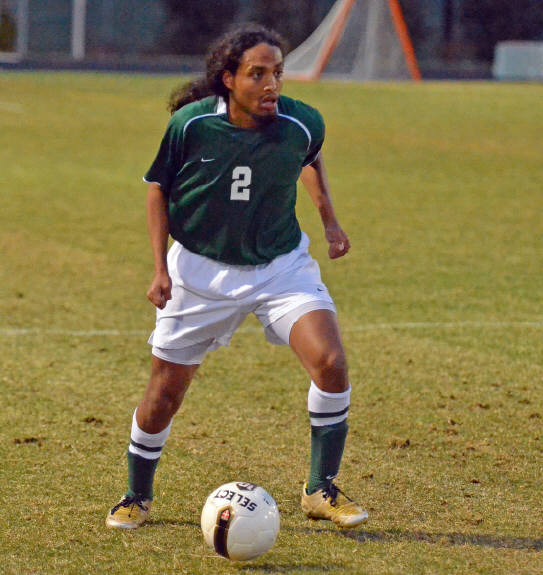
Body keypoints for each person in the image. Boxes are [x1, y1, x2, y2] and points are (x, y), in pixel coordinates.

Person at [106, 23, 367, 530]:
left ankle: (320, 488)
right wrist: (159, 269)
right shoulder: (192, 125)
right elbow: (158, 189)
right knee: (164, 395)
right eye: (257, 74)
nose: (272, 85)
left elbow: (310, 159)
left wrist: (330, 222)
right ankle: (136, 495)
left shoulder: (301, 122)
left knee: (331, 362)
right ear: (228, 78)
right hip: (200, 272)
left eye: (278, 73)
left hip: (280, 266)